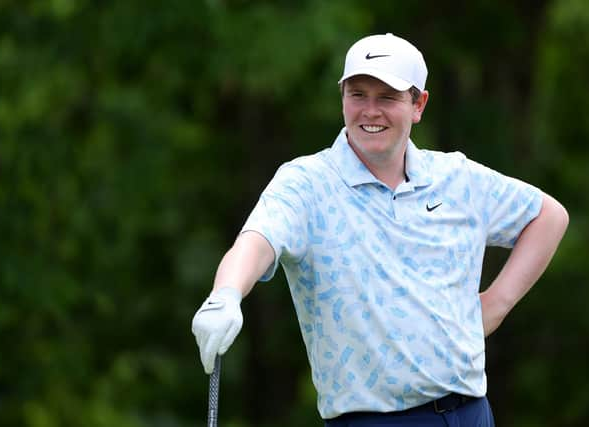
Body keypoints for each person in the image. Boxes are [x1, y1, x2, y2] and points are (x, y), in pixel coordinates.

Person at [191, 33, 569, 426]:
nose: (370, 111)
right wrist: (226, 294)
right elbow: (257, 240)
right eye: (358, 95)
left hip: (471, 412)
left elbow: (547, 216)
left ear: (418, 104)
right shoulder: (307, 182)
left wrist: (495, 303)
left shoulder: (456, 178)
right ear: (342, 98)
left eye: (387, 97)